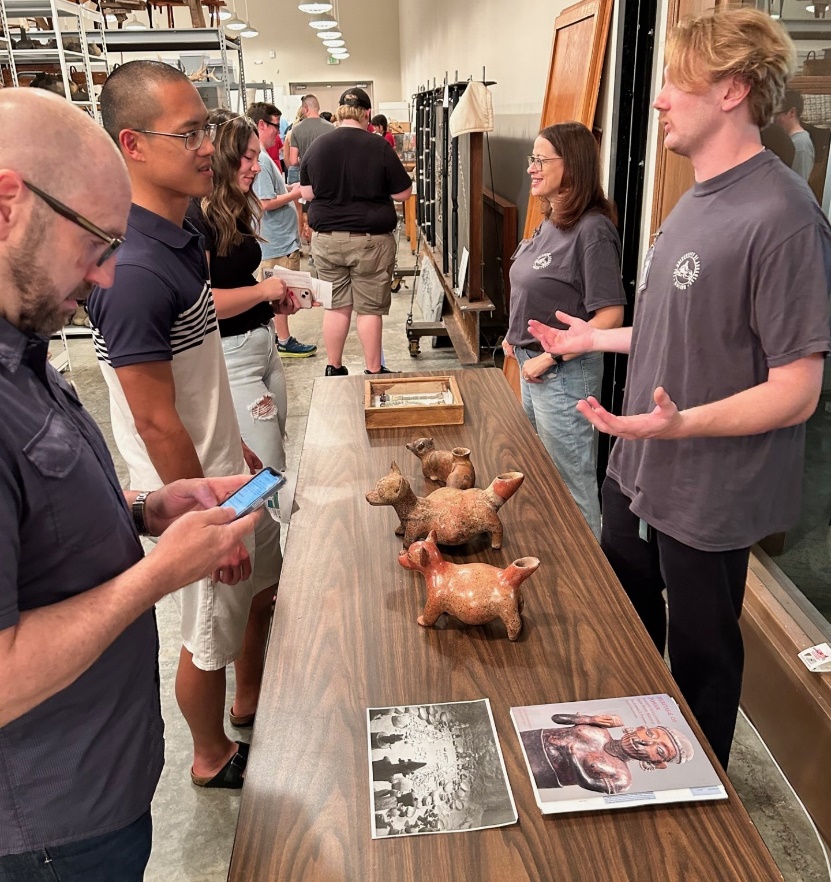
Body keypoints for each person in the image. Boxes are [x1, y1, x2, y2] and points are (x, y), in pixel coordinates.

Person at [529, 8, 831, 769]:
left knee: (700, 667)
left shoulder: (783, 216)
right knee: (624, 630)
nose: (658, 99)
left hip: (709, 492)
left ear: (730, 89)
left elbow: (796, 389)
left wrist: (682, 424)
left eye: (672, 81)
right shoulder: (693, 199)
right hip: (639, 473)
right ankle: (628, 773)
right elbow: (683, 330)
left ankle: (694, 819)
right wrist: (594, 338)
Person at [0, 88, 259, 880]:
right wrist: (157, 575)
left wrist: (148, 509)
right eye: (95, 244)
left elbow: (37, 524)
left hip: (100, 782)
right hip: (49, 828)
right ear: (8, 202)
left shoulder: (26, 344)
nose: (108, 277)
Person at [88, 60, 285, 789]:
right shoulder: (135, 265)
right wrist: (213, 520)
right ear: (133, 145)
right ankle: (210, 756)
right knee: (205, 635)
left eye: (208, 127)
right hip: (190, 492)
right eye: (190, 132)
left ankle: (252, 702)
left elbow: (196, 386)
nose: (209, 145)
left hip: (220, 472)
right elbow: (154, 419)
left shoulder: (179, 237)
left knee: (258, 592)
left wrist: (236, 462)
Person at [503, 122, 625, 539]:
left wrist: (550, 356)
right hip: (532, 366)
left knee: (573, 489)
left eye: (540, 160)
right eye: (531, 159)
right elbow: (535, 285)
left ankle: (591, 590)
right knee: (541, 474)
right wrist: (513, 333)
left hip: (562, 375)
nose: (531, 169)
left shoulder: (592, 231)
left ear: (571, 166)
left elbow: (610, 316)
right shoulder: (551, 220)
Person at [187, 109, 300, 477]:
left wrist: (267, 295)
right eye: (247, 158)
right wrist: (260, 292)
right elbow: (202, 303)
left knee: (275, 456)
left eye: (257, 156)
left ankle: (275, 534)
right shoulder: (196, 217)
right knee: (264, 469)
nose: (255, 167)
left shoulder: (230, 207)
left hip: (262, 344)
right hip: (233, 357)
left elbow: (233, 280)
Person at [301, 87, 412, 375]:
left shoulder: (319, 146)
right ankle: (374, 371)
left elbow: (307, 192)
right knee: (369, 309)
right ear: (366, 114)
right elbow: (403, 193)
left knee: (336, 307)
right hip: (370, 242)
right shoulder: (378, 146)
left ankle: (334, 367)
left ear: (339, 112)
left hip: (326, 241)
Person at [247, 101, 317, 357]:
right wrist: (295, 193)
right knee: (279, 295)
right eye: (275, 126)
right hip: (275, 242)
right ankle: (283, 340)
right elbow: (265, 203)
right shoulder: (262, 161)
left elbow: (269, 194)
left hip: (278, 239)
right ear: (261, 124)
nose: (279, 132)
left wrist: (289, 189)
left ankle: (281, 338)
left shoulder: (264, 158)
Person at [519, 713, 693, 794]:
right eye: (650, 734)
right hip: (532, 738)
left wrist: (574, 760)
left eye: (660, 750)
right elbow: (557, 718)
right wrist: (590, 719)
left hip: (543, 771)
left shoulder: (622, 777)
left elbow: (589, 784)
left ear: (658, 763)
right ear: (641, 728)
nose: (647, 742)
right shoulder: (601, 730)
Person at [774, 89, 814, 180]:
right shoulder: (788, 140)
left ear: (792, 112)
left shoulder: (801, 144)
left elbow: (798, 182)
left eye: (777, 114)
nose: (774, 119)